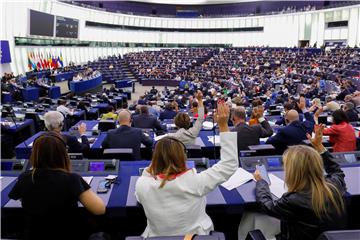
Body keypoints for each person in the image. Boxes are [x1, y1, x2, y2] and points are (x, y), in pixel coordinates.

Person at [135, 102, 238, 237]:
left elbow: (146, 177)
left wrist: (157, 161)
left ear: (154, 159)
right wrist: (223, 125)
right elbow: (229, 164)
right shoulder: (195, 181)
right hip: (194, 237)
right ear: (183, 156)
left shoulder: (142, 184)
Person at [254, 125, 346, 240]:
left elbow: (266, 205)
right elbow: (337, 171)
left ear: (292, 171)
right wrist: (319, 146)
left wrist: (261, 181)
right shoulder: (335, 185)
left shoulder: (293, 200)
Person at [8, 131, 105, 240]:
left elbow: (15, 197)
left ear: (34, 153)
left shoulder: (24, 177)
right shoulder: (72, 179)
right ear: (64, 153)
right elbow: (99, 209)